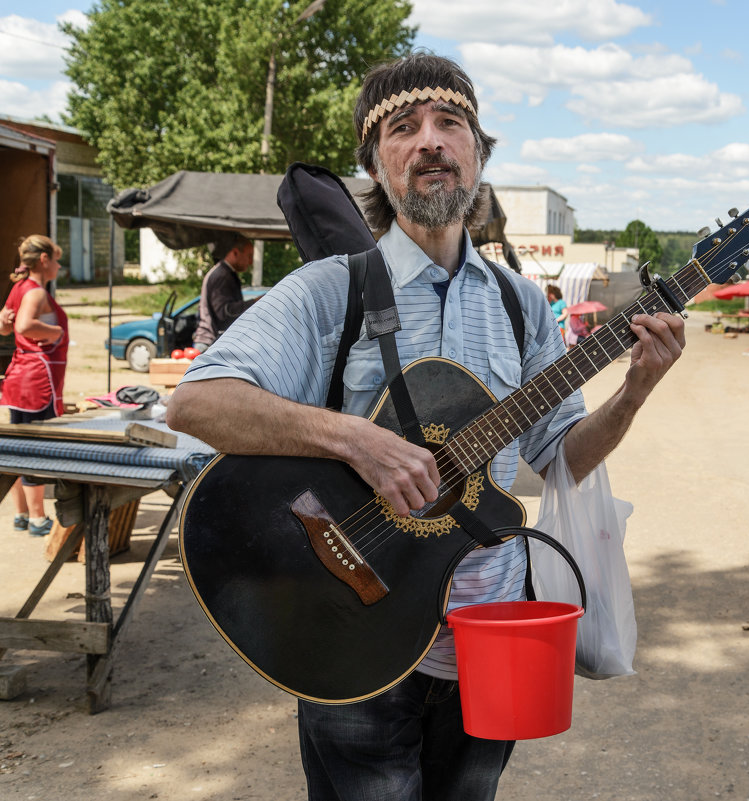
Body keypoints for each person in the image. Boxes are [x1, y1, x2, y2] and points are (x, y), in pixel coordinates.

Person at [164, 51, 685, 801]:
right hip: (353, 625)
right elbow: (197, 402)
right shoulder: (330, 290)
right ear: (377, 165)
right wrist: (357, 439)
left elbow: (560, 453)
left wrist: (634, 390)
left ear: (479, 153)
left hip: (491, 636)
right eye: (403, 127)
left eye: (451, 123)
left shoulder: (520, 303)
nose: (430, 140)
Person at [0, 235, 68, 536]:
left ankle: (22, 514)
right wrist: (54, 331)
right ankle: (39, 518)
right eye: (55, 259)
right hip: (35, 380)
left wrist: (6, 321)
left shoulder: (19, 288)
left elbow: (5, 325)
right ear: (43, 260)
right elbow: (24, 325)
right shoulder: (36, 293)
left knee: (16, 447)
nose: (58, 265)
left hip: (19, 377)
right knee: (33, 448)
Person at [192, 234, 256, 352]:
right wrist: (255, 303)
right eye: (249, 256)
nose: (251, 262)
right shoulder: (222, 276)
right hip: (210, 344)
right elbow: (224, 312)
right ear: (235, 253)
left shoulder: (226, 273)